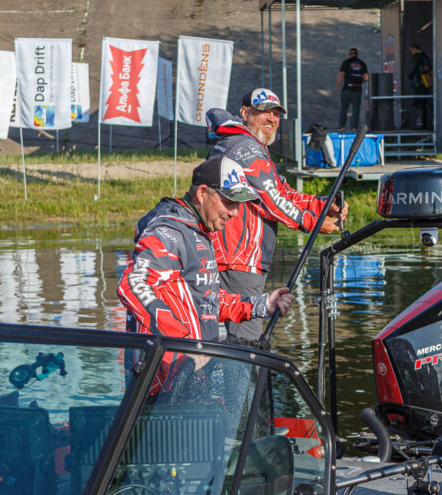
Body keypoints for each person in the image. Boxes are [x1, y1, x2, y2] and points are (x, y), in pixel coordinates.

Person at [206, 88, 347, 342]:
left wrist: (323, 205)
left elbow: (283, 192)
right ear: (245, 113)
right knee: (245, 347)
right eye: (264, 112)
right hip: (237, 262)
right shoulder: (245, 148)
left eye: (276, 113)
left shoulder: (246, 145)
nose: (271, 118)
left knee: (237, 343)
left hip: (238, 262)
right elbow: (274, 202)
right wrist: (314, 223)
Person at [118, 154, 295, 343]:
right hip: (165, 359)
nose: (235, 212)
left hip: (194, 357)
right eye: (229, 202)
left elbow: (206, 301)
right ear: (202, 193)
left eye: (239, 204)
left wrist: (262, 305)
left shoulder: (200, 232)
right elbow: (132, 285)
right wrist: (179, 341)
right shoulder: (168, 232)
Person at [333, 47, 369, 131]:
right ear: (357, 54)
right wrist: (360, 81)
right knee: (356, 109)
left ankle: (342, 126)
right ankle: (354, 127)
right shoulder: (362, 63)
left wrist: (337, 87)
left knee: (344, 108)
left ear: (349, 54)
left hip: (347, 88)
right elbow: (366, 78)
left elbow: (341, 75)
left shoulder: (346, 62)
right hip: (357, 88)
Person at [406, 43, 432, 130]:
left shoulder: (417, 57)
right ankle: (425, 124)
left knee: (418, 103)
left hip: (420, 82)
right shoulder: (425, 56)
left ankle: (418, 124)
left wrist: (409, 75)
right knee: (424, 102)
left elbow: (414, 68)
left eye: (411, 51)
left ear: (414, 49)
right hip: (427, 81)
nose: (411, 53)